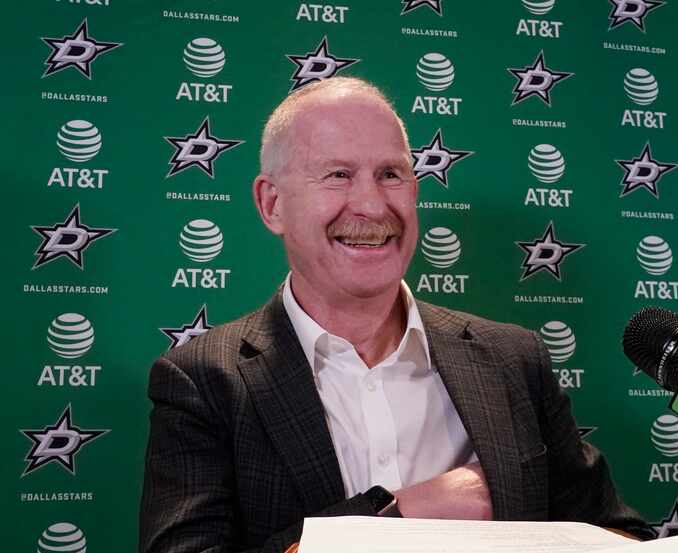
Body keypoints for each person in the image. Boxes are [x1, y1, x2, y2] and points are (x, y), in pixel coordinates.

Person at [139, 77, 649, 553]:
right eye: (338, 175)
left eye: (390, 174)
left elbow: (618, 533)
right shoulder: (202, 381)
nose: (371, 204)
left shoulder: (513, 358)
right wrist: (404, 511)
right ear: (272, 204)